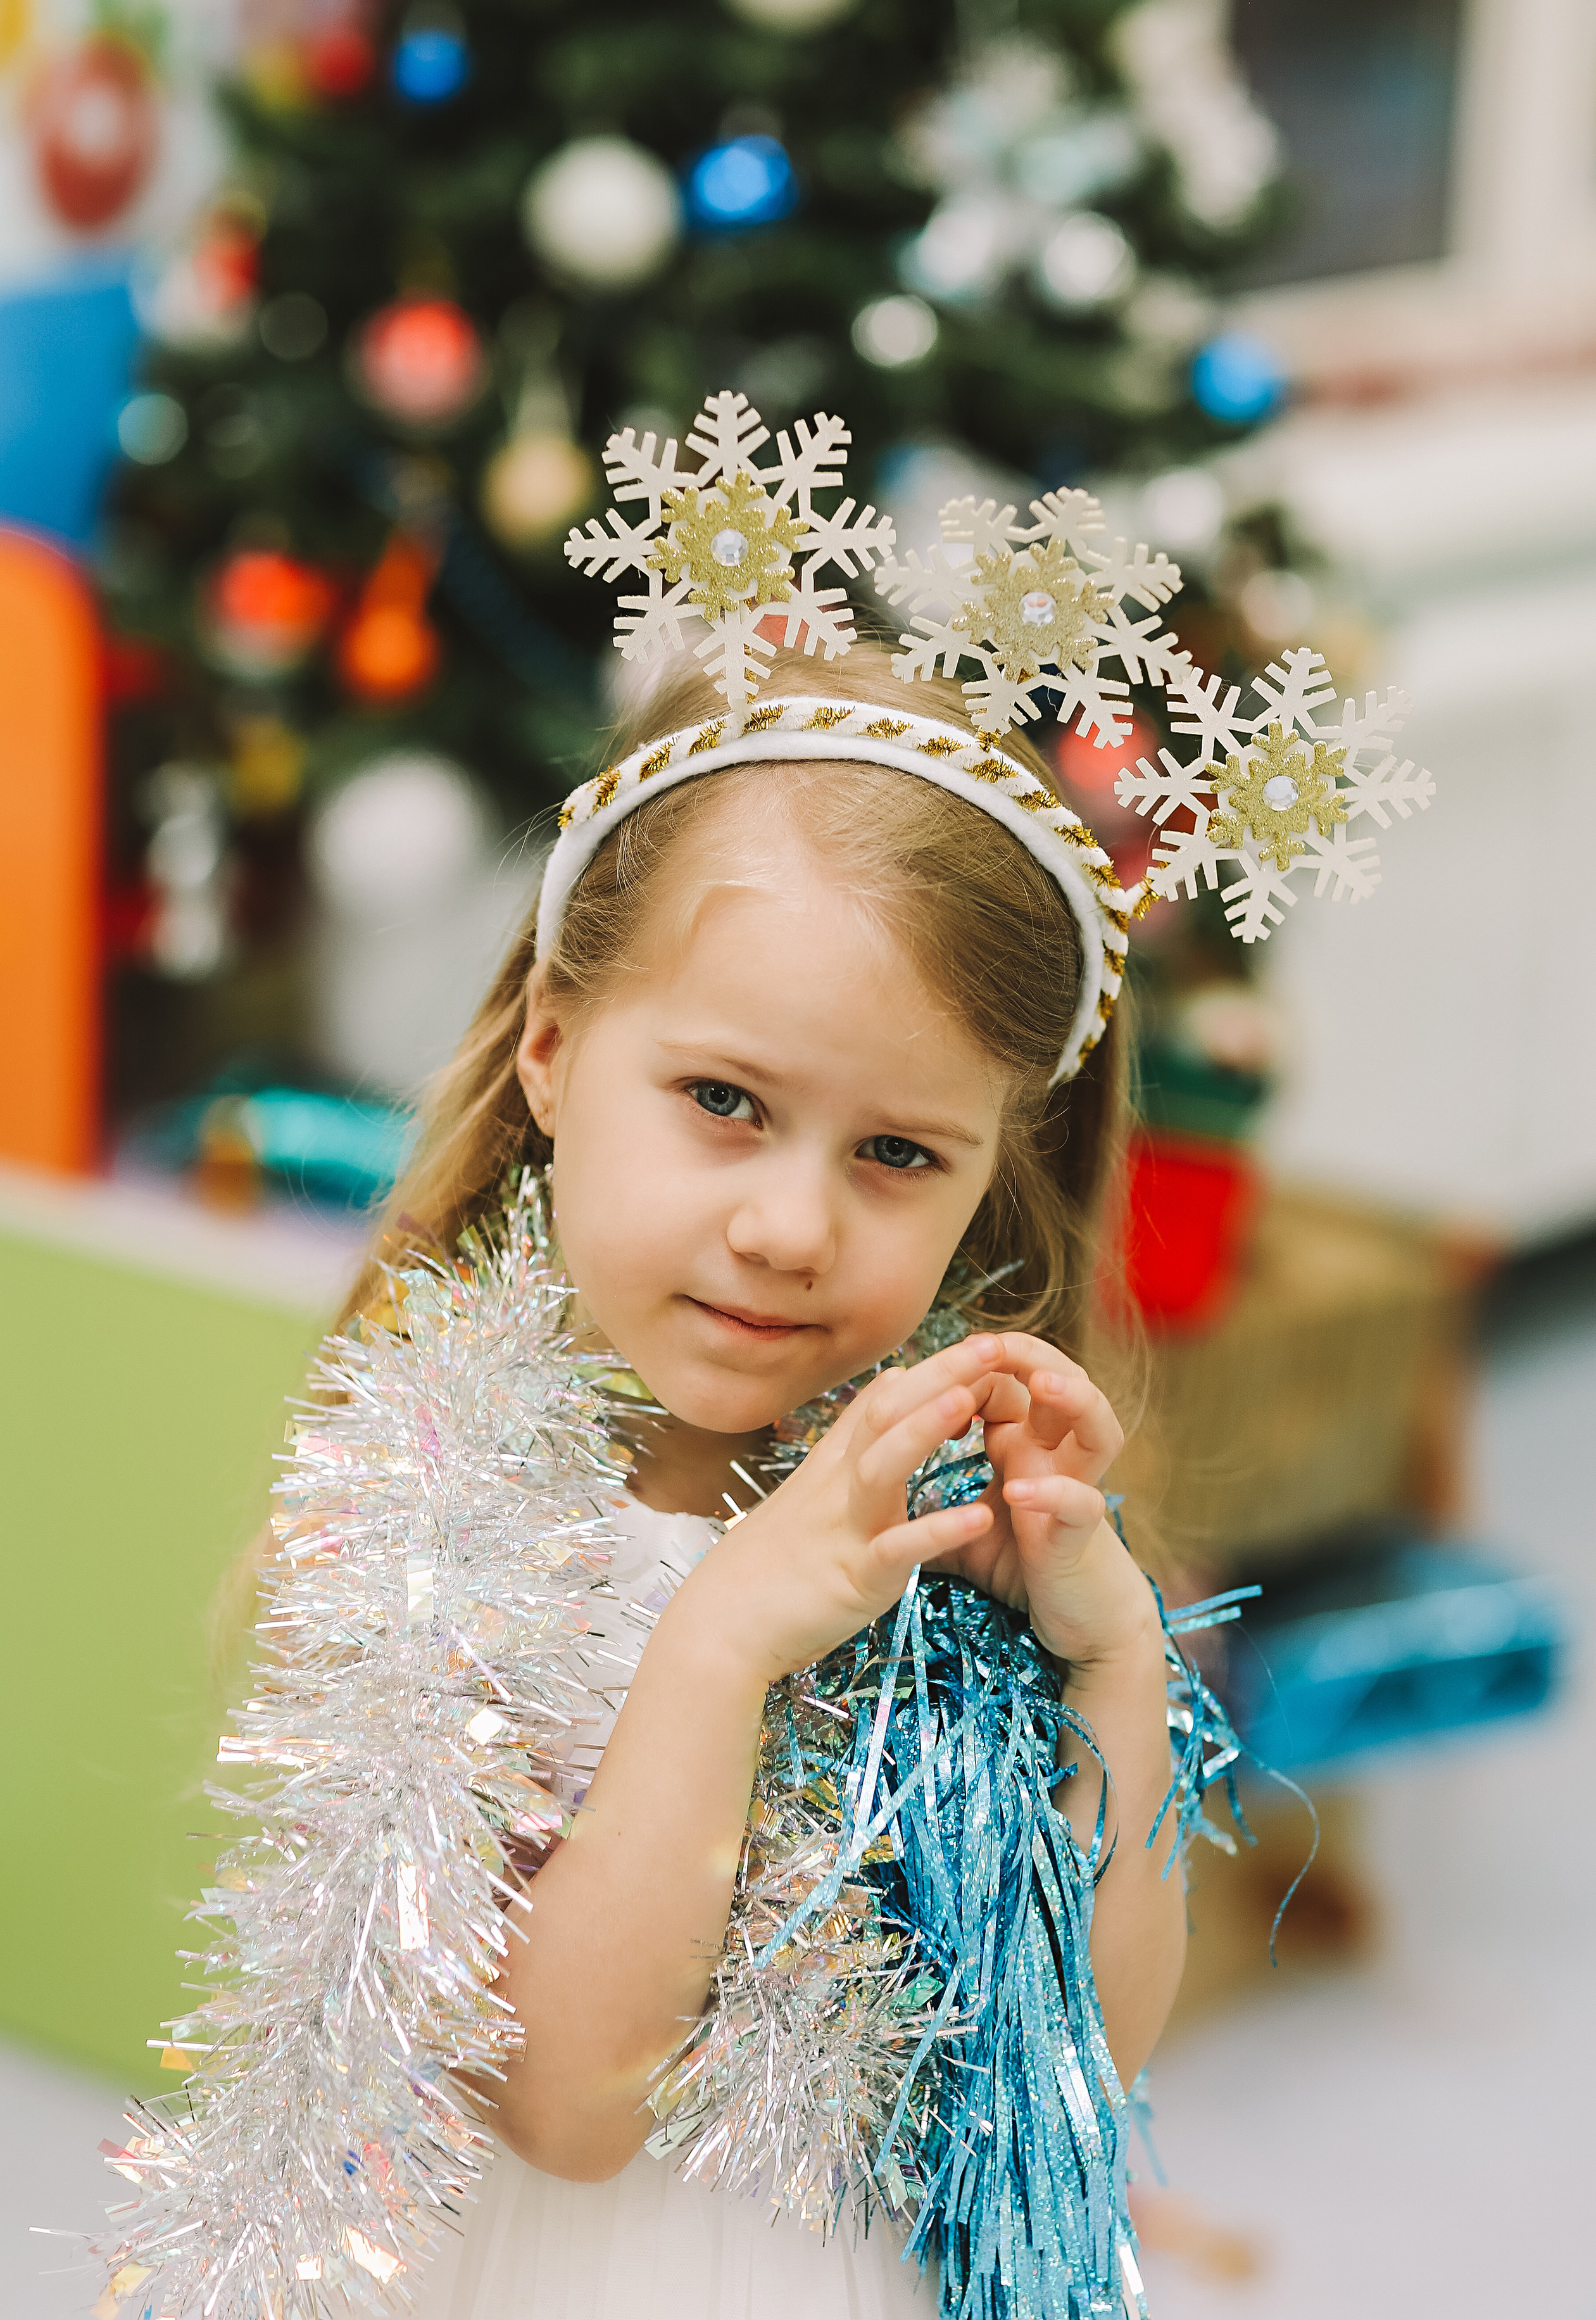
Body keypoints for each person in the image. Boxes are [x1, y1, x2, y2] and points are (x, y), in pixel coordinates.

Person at [350, 643, 1188, 2319]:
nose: (792, 1228)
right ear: (552, 1050)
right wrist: (726, 1638)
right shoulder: (443, 1501)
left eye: (897, 1153)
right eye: (725, 1101)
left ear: (987, 1170)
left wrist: (1114, 1667)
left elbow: (1085, 2058)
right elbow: (565, 2108)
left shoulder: (955, 1506)